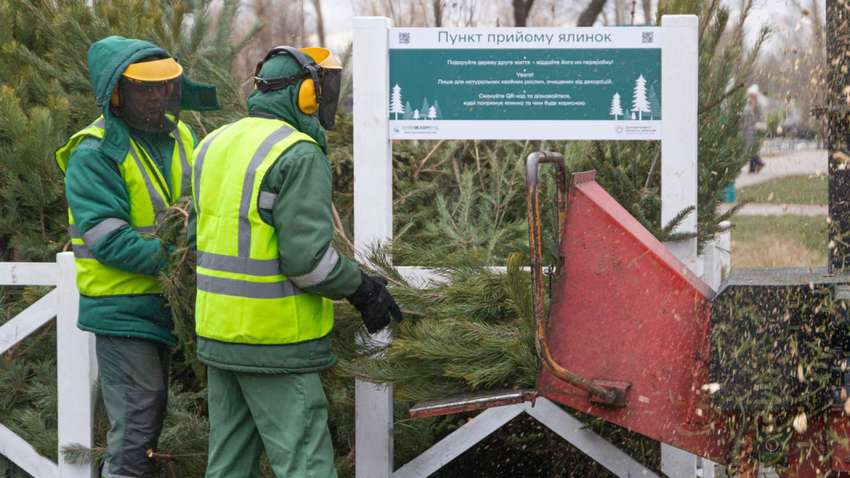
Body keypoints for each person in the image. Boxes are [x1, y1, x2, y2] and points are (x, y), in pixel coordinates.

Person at [190, 46, 402, 478]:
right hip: (276, 342)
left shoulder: (213, 144)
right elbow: (307, 262)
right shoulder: (298, 153)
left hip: (218, 335)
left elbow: (203, 236)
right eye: (322, 90)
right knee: (305, 464)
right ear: (306, 95)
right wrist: (361, 288)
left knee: (228, 465)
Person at [55, 36, 219, 477]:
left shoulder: (183, 135)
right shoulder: (94, 153)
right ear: (115, 93)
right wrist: (181, 264)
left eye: (164, 86)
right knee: (136, 426)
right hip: (122, 308)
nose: (158, 96)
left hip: (172, 305)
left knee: (149, 419)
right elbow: (110, 240)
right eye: (145, 88)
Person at [743, 84, 767, 173]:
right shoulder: (748, 104)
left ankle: (757, 164)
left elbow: (761, 118)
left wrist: (758, 125)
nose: (750, 97)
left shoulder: (758, 106)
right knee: (751, 149)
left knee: (752, 148)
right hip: (748, 130)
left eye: (752, 95)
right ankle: (754, 167)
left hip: (756, 130)